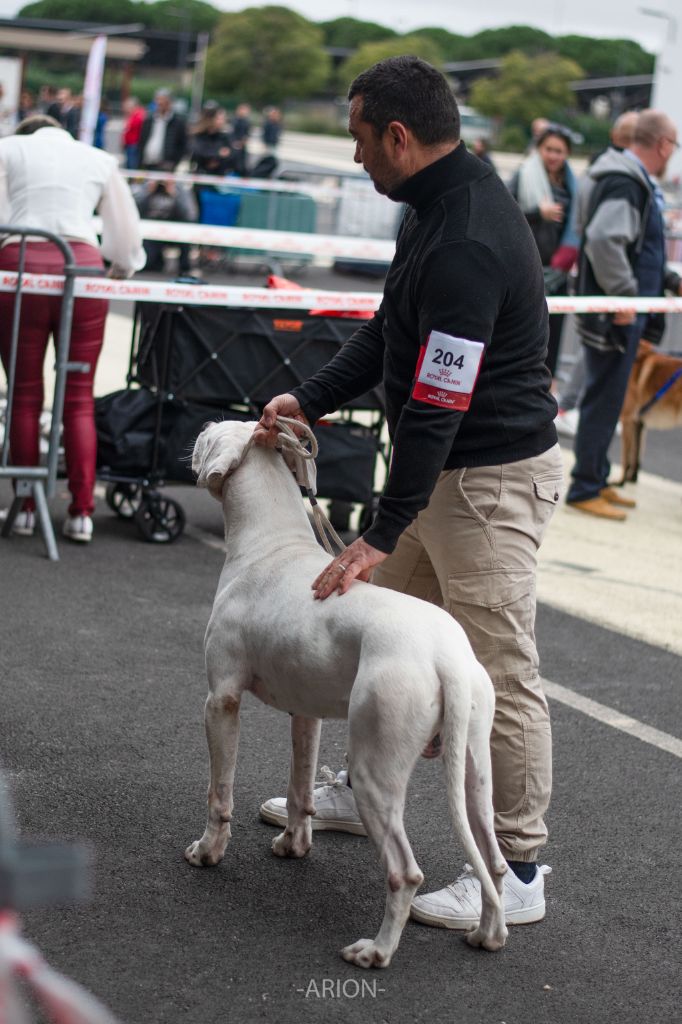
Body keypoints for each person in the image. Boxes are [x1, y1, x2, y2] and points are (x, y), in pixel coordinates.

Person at [255, 56, 563, 930]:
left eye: (359, 141)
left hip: (491, 482)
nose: (355, 159)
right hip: (443, 475)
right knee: (380, 635)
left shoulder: (465, 236)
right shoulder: (430, 207)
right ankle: (364, 789)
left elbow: (435, 398)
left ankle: (520, 871)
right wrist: (306, 395)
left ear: (398, 135)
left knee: (500, 671)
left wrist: (380, 529)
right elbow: (392, 338)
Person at [0, 115, 145, 542]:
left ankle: (25, 506)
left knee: (24, 395)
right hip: (81, 265)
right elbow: (124, 231)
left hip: (20, 265)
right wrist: (122, 265)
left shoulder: (8, 148)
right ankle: (81, 511)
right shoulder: (98, 158)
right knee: (79, 397)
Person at [566, 109, 682, 520]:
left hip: (618, 308)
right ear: (663, 145)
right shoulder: (625, 181)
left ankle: (595, 477)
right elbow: (604, 240)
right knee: (604, 397)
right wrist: (625, 297)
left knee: (611, 396)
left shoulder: (620, 176)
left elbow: (633, 247)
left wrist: (666, 278)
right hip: (616, 313)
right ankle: (585, 488)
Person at [555, 110, 641, 439]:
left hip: (592, 273)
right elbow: (601, 236)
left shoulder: (599, 169)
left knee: (590, 348)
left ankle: (567, 405)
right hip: (603, 278)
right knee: (594, 349)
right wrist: (625, 289)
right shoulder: (615, 174)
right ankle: (568, 406)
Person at [509, 125, 579, 382]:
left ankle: (545, 387)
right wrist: (539, 214)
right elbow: (504, 215)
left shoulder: (573, 184)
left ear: (567, 154)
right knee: (523, 332)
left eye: (559, 151)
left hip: (559, 270)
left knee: (554, 335)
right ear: (539, 149)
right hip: (527, 267)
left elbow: (578, 223)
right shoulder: (523, 175)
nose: (553, 155)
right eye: (549, 149)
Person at [133, 177, 197, 275]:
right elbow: (135, 211)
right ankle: (157, 261)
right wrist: (148, 193)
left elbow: (189, 215)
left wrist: (174, 194)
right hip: (151, 231)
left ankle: (185, 268)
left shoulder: (180, 189)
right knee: (147, 264)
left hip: (174, 230)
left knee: (186, 234)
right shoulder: (146, 187)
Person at [138, 89, 187, 171]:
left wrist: (174, 162)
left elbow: (183, 145)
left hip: (166, 165)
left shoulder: (177, 122)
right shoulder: (149, 120)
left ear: (169, 102)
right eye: (158, 100)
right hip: (147, 163)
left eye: (163, 101)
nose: (160, 103)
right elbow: (142, 140)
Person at [189, 102, 235, 176]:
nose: (222, 121)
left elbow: (230, 155)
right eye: (219, 118)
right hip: (202, 176)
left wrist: (215, 157)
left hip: (219, 176)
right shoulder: (199, 135)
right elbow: (198, 153)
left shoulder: (224, 136)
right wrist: (218, 154)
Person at [121, 96, 145, 169]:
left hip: (134, 144)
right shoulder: (133, 115)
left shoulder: (139, 115)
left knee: (132, 164)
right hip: (130, 143)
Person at [229, 103, 251, 176]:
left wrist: (244, 142)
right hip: (234, 146)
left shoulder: (246, 122)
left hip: (242, 146)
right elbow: (232, 133)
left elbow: (247, 134)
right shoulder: (234, 120)